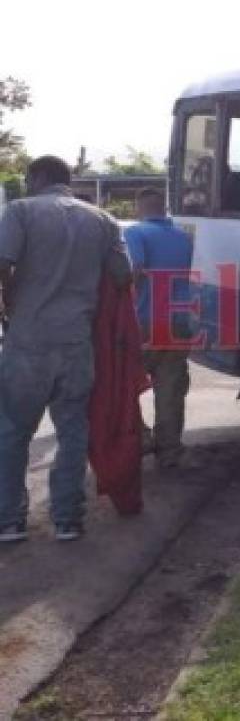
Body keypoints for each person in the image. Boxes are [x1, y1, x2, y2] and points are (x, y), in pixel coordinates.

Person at [0, 155, 131, 543]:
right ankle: (67, 520)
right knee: (73, 431)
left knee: (12, 431)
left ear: (38, 177)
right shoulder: (103, 220)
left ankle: (9, 520)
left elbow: (1, 264)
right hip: (77, 344)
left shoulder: (19, 212)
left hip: (28, 341)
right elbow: (124, 275)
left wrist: (10, 304)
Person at [124, 187, 194, 469]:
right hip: (179, 321)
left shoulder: (135, 232)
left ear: (139, 208)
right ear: (163, 208)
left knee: (125, 385)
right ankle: (169, 452)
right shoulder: (185, 237)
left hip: (142, 321)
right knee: (170, 388)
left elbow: (136, 269)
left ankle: (141, 438)